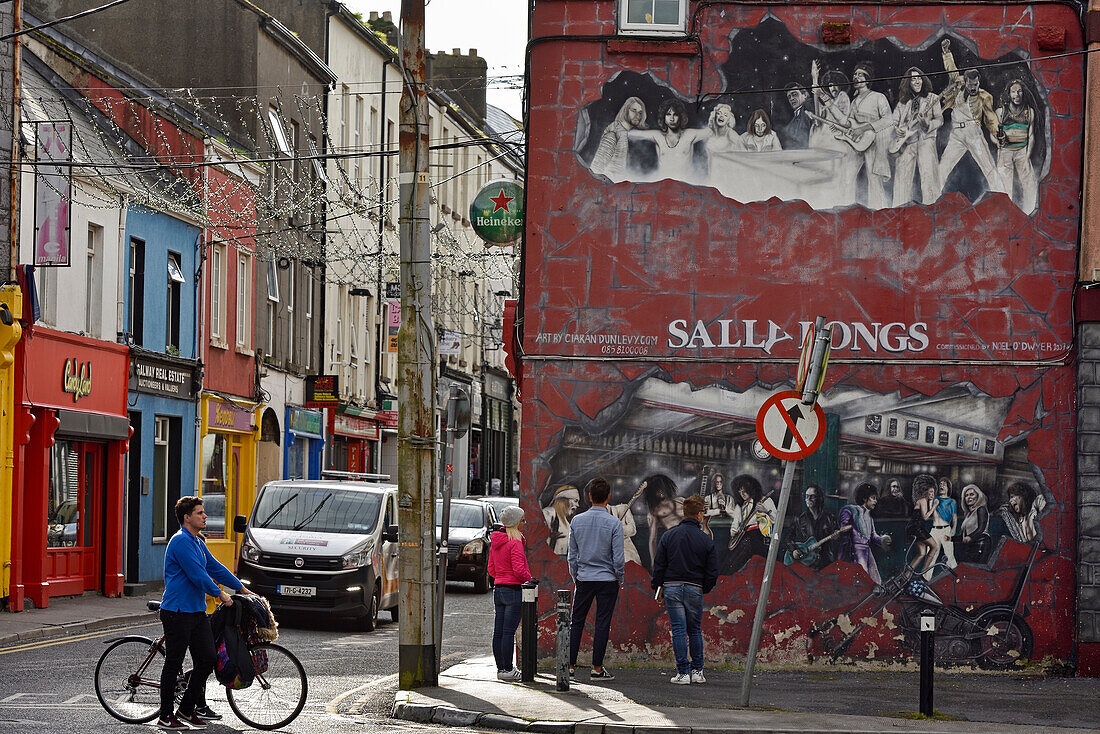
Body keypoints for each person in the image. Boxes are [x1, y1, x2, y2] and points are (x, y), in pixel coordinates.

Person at [157, 496, 254, 731]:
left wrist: (240, 588)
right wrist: (221, 595)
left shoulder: (198, 542)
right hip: (177, 612)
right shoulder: (180, 542)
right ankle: (165, 715)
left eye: (204, 512)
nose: (205, 516)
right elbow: (197, 575)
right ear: (187, 517)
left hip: (197, 612)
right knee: (174, 662)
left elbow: (214, 567)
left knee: (209, 659)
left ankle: (187, 709)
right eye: (200, 512)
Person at [651, 495, 718, 685]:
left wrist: (657, 586)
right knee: (695, 629)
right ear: (699, 515)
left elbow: (659, 565)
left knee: (679, 630)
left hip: (672, 587)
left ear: (684, 513)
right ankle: (697, 671)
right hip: (695, 588)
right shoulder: (705, 540)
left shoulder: (669, 536)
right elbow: (712, 570)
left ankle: (682, 673)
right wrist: (704, 587)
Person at [567, 477, 625, 681]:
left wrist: (576, 576)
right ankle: (597, 668)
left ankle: (570, 666)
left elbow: (571, 556)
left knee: (577, 621)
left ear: (589, 496)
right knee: (602, 623)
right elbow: (618, 558)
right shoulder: (614, 523)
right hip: (607, 579)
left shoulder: (577, 521)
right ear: (608, 497)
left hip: (584, 577)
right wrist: (620, 578)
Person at [937, 38, 1008, 198]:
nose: (973, 87)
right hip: (956, 134)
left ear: (978, 82)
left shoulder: (984, 97)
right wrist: (947, 52)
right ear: (966, 82)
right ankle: (931, 198)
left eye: (975, 84)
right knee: (943, 167)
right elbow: (951, 70)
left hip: (973, 132)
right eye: (971, 85)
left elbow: (990, 118)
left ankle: (1002, 195)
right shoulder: (958, 86)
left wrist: (998, 134)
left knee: (988, 166)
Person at [488, 505, 532, 681]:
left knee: (498, 632)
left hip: (499, 589)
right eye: (522, 520)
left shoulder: (497, 542)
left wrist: (501, 575)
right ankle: (508, 669)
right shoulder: (515, 542)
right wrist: (530, 579)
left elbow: (491, 569)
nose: (525, 523)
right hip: (513, 590)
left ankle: (501, 669)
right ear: (515, 523)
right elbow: (519, 570)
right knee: (508, 632)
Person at [891, 66, 943, 205]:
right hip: (907, 143)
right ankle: (899, 210)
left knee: (929, 176)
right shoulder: (903, 102)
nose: (917, 81)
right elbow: (893, 121)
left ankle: (933, 210)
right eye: (913, 79)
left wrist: (927, 124)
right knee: (902, 177)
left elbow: (939, 119)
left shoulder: (932, 98)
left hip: (926, 140)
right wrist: (896, 129)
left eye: (919, 78)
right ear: (908, 83)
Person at [846, 62, 894, 209]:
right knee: (848, 176)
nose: (856, 77)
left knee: (874, 179)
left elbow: (888, 119)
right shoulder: (854, 102)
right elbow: (851, 123)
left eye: (860, 74)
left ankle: (878, 210)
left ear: (867, 79)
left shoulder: (878, 97)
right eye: (855, 74)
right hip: (858, 144)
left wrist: (865, 128)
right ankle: (847, 207)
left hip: (875, 143)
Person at [626, 98, 710, 182]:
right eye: (668, 114)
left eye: (675, 115)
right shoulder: (657, 136)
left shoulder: (689, 134)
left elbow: (712, 132)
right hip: (664, 187)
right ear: (664, 117)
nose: (672, 118)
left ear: (681, 117)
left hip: (685, 185)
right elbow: (631, 134)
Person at [995, 79, 1038, 214]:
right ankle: (1004, 214)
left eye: (1019, 91)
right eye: (1013, 92)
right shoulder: (1000, 112)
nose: (1017, 95)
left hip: (1022, 151)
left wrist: (1027, 157)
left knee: (1030, 183)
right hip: (1005, 151)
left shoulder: (1029, 112)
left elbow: (1031, 137)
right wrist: (998, 142)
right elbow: (993, 134)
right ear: (1009, 94)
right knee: (1003, 185)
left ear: (1023, 93)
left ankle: (1028, 212)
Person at [838, 482, 891, 584]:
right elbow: (843, 526)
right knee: (860, 579)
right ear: (864, 498)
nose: (876, 501)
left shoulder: (869, 517)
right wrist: (844, 526)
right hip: (854, 550)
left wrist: (883, 540)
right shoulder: (851, 511)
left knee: (871, 580)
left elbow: (873, 536)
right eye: (873, 498)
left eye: (876, 498)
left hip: (866, 551)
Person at [723, 474, 776, 574]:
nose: (742, 494)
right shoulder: (740, 506)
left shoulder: (766, 500)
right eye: (739, 491)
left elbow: (777, 520)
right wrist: (733, 530)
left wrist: (766, 511)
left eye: (744, 491)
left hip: (761, 537)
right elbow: (735, 524)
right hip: (744, 537)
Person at [591, 96, 646, 181]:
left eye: (640, 113)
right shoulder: (614, 132)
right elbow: (596, 168)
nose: (637, 116)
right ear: (625, 110)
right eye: (633, 111)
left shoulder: (624, 132)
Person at [794, 484, 841, 570]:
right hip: (807, 561)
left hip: (825, 561)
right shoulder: (801, 518)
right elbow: (789, 537)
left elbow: (838, 540)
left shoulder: (830, 518)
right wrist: (793, 550)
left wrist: (836, 537)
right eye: (807, 496)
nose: (808, 499)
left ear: (819, 498)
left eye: (812, 496)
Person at [645, 474, 683, 567]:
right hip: (676, 542)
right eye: (657, 489)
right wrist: (653, 561)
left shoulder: (681, 500)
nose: (660, 491)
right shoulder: (654, 512)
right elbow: (652, 539)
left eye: (662, 487)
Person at [907, 474, 941, 579]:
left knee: (921, 553)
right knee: (934, 546)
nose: (932, 494)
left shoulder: (924, 501)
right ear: (924, 491)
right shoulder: (922, 501)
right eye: (930, 492)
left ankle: (906, 575)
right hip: (917, 529)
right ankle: (924, 574)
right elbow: (925, 517)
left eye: (933, 492)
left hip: (915, 528)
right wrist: (934, 506)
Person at [952, 483, 991, 563]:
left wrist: (970, 537)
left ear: (978, 496)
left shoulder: (981, 509)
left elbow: (981, 528)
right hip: (971, 544)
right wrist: (950, 539)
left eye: (971, 494)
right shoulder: (969, 514)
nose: (968, 497)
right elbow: (964, 536)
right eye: (966, 495)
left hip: (981, 542)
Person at [930, 477, 959, 571]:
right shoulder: (934, 499)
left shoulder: (952, 502)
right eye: (940, 484)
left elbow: (954, 517)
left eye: (944, 484)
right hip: (934, 530)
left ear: (948, 488)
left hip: (946, 529)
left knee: (950, 555)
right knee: (931, 555)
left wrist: (954, 529)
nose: (941, 486)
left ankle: (955, 578)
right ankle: (926, 579)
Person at [543, 485, 580, 556]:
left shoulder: (567, 523)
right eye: (575, 501)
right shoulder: (549, 513)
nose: (577, 505)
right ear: (564, 500)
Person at [779, 83, 815, 149]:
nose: (791, 98)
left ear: (805, 95)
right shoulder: (791, 123)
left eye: (794, 94)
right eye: (789, 97)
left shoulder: (808, 104)